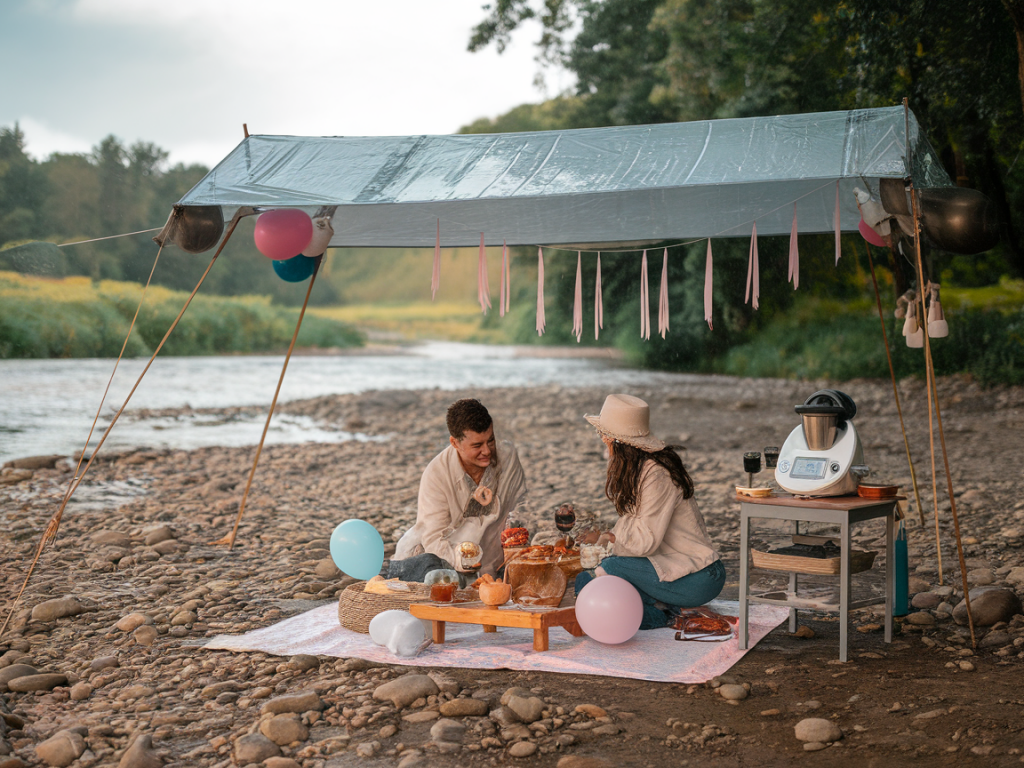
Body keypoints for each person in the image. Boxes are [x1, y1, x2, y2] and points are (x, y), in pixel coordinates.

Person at [576, 393, 725, 629]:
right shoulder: (639, 470)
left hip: (699, 576)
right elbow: (635, 532)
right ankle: (663, 606)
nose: (602, 440)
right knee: (586, 581)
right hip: (670, 568)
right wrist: (607, 539)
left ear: (619, 442)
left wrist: (609, 538)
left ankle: (667, 615)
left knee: (608, 570)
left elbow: (645, 542)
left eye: (604, 435)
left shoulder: (656, 474)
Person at [389, 398, 526, 581]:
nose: (487, 451)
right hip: (438, 561)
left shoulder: (507, 457)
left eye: (490, 440)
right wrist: (470, 567)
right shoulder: (436, 474)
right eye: (477, 446)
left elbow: (520, 506)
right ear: (455, 443)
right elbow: (434, 541)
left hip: (493, 561)